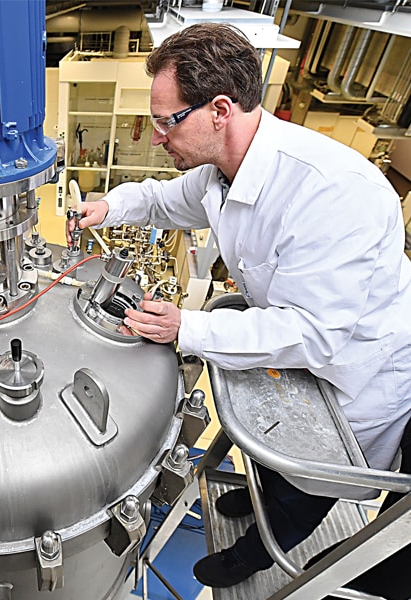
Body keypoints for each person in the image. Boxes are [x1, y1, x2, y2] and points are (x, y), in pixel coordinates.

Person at [71, 23, 411, 589]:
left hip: (356, 379)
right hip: (296, 360)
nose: (156, 137)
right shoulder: (220, 173)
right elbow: (159, 200)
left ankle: (248, 557)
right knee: (269, 459)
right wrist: (108, 206)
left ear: (220, 109)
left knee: (304, 490)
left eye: (165, 121)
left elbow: (316, 335)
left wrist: (188, 327)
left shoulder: (330, 191)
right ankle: (249, 508)